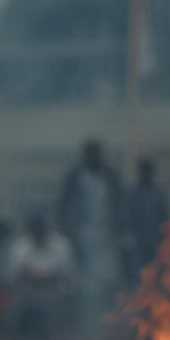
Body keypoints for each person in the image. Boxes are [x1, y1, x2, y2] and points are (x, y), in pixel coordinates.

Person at [57, 138, 122, 321]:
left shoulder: (110, 176)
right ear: (84, 156)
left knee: (108, 279)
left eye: (96, 153)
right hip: (81, 234)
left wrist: (119, 232)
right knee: (83, 282)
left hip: (107, 235)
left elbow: (120, 204)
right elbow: (63, 207)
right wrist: (67, 234)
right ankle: (85, 321)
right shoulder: (74, 178)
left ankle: (108, 320)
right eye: (89, 154)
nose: (93, 157)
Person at [6, 212, 75, 338]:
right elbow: (17, 272)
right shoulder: (20, 246)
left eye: (41, 227)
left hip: (54, 286)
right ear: (29, 229)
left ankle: (58, 335)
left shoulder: (61, 244)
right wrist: (33, 276)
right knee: (15, 298)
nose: (38, 231)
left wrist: (45, 276)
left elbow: (66, 271)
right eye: (34, 227)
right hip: (27, 287)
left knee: (64, 296)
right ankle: (16, 335)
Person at [121, 158, 170, 276]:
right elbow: (127, 217)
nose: (146, 174)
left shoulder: (159, 194)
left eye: (148, 171)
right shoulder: (132, 194)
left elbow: (164, 217)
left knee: (155, 271)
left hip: (155, 240)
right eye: (144, 171)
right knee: (139, 273)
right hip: (138, 242)